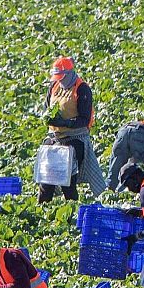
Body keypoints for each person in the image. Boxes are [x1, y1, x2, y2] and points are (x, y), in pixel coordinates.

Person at [38, 56, 106, 203]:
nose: (59, 80)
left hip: (75, 138)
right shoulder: (54, 86)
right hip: (55, 137)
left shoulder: (82, 88)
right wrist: (49, 119)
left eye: (62, 77)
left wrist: (66, 123)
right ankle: (42, 208)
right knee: (46, 179)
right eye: (57, 77)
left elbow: (84, 119)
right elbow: (45, 108)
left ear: (69, 73)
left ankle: (72, 209)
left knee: (67, 179)